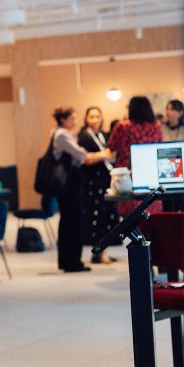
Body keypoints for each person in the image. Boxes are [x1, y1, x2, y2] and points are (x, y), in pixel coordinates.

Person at [50, 107, 113, 273]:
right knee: (72, 223)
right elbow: (82, 155)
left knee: (69, 222)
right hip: (69, 186)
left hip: (69, 185)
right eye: (72, 118)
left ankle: (69, 261)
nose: (75, 122)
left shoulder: (62, 133)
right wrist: (104, 154)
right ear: (63, 119)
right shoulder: (62, 135)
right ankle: (72, 262)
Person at [77, 107, 119, 264]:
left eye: (97, 116)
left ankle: (103, 251)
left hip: (105, 179)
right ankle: (98, 252)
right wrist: (102, 155)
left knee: (106, 216)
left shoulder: (104, 135)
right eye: (92, 116)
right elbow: (85, 159)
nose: (95, 120)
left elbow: (112, 155)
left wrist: (97, 156)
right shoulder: (83, 136)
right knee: (95, 217)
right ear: (86, 119)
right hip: (91, 182)